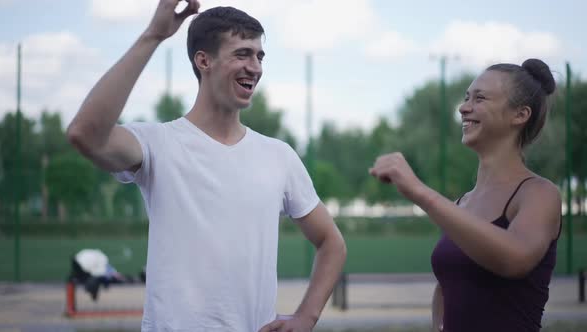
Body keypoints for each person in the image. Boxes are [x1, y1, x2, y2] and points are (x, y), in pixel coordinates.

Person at [66, 0, 346, 331]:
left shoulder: (279, 155)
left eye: (259, 56)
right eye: (242, 54)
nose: (255, 66)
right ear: (204, 61)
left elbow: (332, 242)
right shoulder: (158, 144)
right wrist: (154, 35)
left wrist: (305, 317)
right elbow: (84, 134)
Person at [369, 59, 561, 332]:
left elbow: (514, 258)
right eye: (466, 97)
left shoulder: (540, 194)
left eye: (480, 98)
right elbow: (449, 282)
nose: (463, 107)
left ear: (520, 115)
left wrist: (420, 191)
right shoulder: (463, 203)